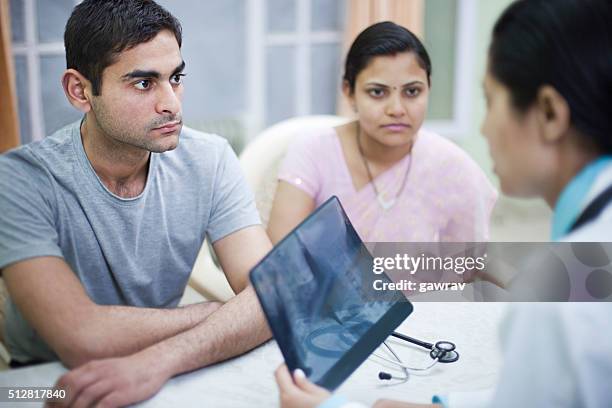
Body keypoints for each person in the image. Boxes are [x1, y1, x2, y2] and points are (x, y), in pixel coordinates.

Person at [274, 0, 612, 406]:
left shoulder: (562, 303)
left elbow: (473, 261)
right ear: (349, 92)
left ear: (550, 113)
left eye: (489, 102)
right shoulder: (582, 271)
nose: (483, 129)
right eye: (378, 91)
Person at [0, 0, 272, 406]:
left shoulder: (210, 158)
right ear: (80, 90)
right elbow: (82, 338)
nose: (172, 104)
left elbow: (275, 294)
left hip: (165, 366)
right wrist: (220, 314)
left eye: (176, 78)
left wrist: (156, 362)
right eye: (144, 83)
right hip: (42, 380)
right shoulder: (19, 180)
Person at [267, 22, 497, 244]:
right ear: (349, 93)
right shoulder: (312, 152)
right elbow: (280, 262)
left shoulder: (452, 168)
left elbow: (471, 266)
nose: (396, 110)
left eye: (412, 91)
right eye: (377, 92)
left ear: (428, 89)